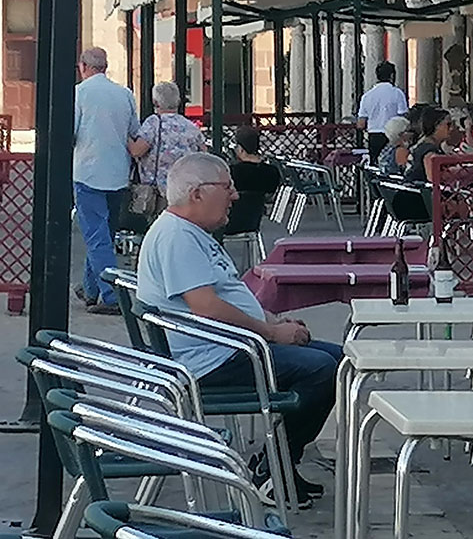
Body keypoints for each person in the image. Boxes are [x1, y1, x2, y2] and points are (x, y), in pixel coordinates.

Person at [137, 152, 342, 507]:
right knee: (323, 369)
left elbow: (224, 295)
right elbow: (206, 306)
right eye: (227, 186)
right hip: (211, 360)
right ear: (197, 193)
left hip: (227, 348)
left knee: (336, 359)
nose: (234, 195)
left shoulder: (190, 232)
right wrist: (270, 333)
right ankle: (272, 471)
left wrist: (274, 323)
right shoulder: (177, 237)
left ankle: (278, 465)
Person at [73, 47, 139, 315]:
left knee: (95, 235)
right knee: (104, 235)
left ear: (83, 66)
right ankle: (90, 288)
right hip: (117, 173)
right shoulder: (124, 94)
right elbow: (133, 131)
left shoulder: (79, 93)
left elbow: (71, 132)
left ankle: (112, 295)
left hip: (88, 171)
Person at [128, 81, 206, 215]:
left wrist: (125, 135)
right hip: (186, 191)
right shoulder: (190, 127)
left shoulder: (154, 123)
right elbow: (204, 155)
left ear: (155, 102)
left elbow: (137, 150)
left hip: (160, 193)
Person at [357, 61, 409, 164]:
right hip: (394, 136)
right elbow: (403, 117)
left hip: (374, 136)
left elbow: (361, 123)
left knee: (375, 166)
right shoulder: (397, 93)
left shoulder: (367, 96)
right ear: (392, 75)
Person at [405, 106, 451, 183]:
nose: (452, 128)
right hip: (423, 193)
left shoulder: (421, 145)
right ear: (436, 126)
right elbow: (433, 178)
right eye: (448, 124)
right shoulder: (429, 150)